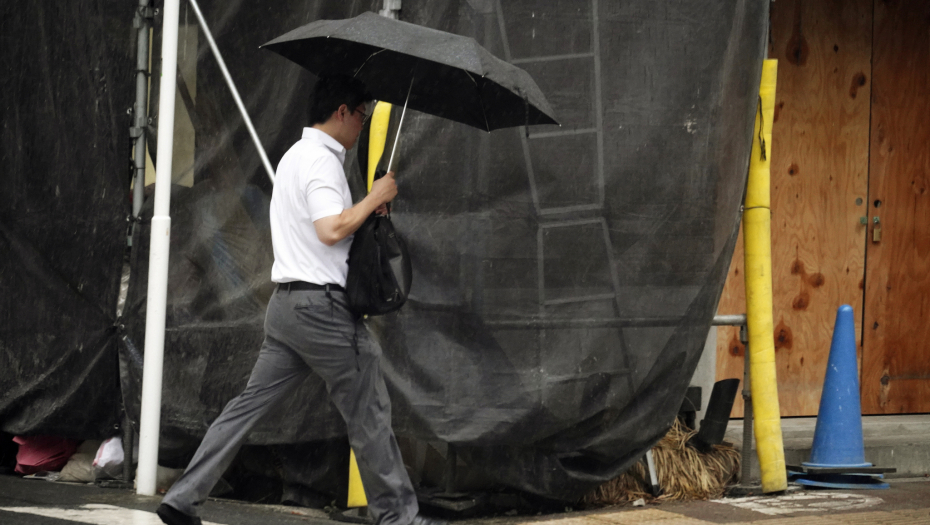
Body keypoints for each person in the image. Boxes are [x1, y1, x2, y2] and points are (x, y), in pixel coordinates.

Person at [157, 75, 443, 525]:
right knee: (368, 409)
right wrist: (375, 197)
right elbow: (330, 229)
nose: (363, 125)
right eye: (362, 115)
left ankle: (183, 497)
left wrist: (368, 210)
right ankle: (398, 518)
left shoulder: (294, 156)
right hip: (322, 309)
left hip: (286, 306)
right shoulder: (323, 161)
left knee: (245, 409)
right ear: (342, 112)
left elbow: (327, 233)